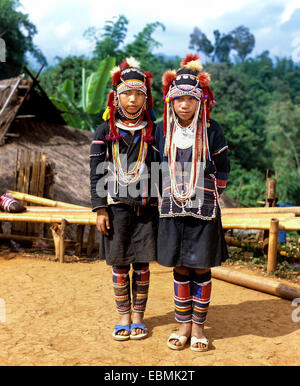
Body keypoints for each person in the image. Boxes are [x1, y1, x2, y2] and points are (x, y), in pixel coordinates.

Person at [155, 54, 230, 351]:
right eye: (178, 99)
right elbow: (153, 166)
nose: (184, 105)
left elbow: (223, 170)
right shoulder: (162, 131)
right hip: (172, 212)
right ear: (170, 101)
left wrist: (205, 193)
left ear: (201, 101)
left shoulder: (213, 131)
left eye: (190, 99)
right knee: (181, 268)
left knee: (200, 268)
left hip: (204, 211)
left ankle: (199, 327)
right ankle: (183, 324)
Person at [90, 57, 157, 341]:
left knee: (141, 264)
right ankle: (123, 317)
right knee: (120, 265)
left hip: (145, 209)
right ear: (116, 97)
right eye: (127, 93)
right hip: (116, 210)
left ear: (146, 97)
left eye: (138, 93)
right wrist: (100, 209)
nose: (132, 99)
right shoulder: (105, 131)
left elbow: (161, 169)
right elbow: (95, 172)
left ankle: (139, 317)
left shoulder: (154, 131)